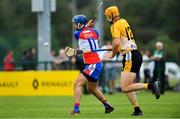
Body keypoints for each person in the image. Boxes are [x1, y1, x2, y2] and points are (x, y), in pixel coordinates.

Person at [104, 6, 160, 116]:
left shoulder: (114, 26)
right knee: (127, 86)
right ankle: (137, 110)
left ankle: (151, 85)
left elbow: (116, 44)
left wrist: (112, 54)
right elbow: (121, 43)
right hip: (135, 54)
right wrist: (111, 48)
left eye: (107, 16)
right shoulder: (123, 21)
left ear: (111, 16)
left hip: (129, 55)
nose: (107, 18)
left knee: (124, 87)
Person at [70, 15, 114, 115]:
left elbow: (83, 35)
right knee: (92, 89)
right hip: (96, 63)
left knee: (77, 83)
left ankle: (76, 109)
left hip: (92, 64)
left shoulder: (77, 34)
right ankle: (107, 106)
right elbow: (93, 39)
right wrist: (88, 27)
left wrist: (87, 27)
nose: (74, 25)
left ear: (80, 24)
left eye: (75, 23)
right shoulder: (95, 31)